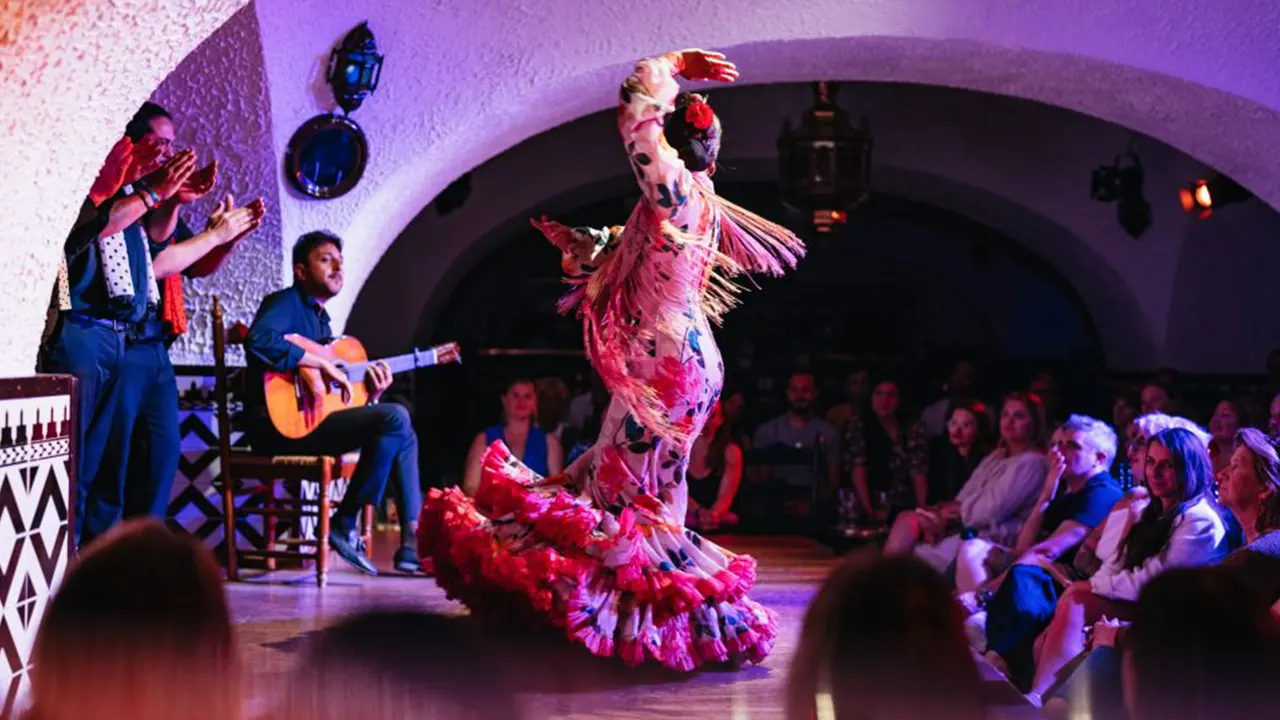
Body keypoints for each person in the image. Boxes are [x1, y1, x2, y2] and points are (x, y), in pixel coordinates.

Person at [420, 48, 805, 670]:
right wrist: (578, 244)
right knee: (644, 486)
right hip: (680, 361)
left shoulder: (676, 193)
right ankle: (646, 617)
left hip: (668, 364)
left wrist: (668, 65)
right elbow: (623, 253)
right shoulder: (687, 204)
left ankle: (637, 621)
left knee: (627, 490)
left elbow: (634, 116)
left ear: (676, 149)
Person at [47, 104, 259, 548]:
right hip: (87, 328)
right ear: (129, 143)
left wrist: (175, 201)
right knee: (87, 467)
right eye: (160, 143)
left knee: (128, 463)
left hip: (126, 336)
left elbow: (163, 248)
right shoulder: (101, 192)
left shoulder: (143, 197)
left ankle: (120, 570)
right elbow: (91, 233)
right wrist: (156, 194)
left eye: (170, 144)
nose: (168, 153)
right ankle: (74, 570)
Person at [244, 231, 426, 576]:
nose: (338, 266)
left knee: (401, 427)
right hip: (276, 428)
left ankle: (410, 545)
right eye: (326, 259)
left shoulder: (322, 321)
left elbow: (332, 400)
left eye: (340, 261)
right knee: (396, 418)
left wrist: (370, 396)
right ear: (301, 270)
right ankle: (345, 522)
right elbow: (258, 340)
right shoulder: (285, 303)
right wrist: (312, 361)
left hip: (311, 425)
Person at [463, 378, 563, 493]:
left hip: (535, 509)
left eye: (527, 397)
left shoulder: (550, 442)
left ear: (534, 402)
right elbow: (470, 487)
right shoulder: (484, 438)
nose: (521, 401)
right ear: (504, 400)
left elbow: (557, 490)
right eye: (516, 396)